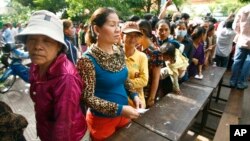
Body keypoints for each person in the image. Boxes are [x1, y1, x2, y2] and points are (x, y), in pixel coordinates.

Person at [15, 10, 89, 141]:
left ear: (59, 46)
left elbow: (64, 126)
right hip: (47, 132)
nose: (37, 46)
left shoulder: (66, 77)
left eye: (47, 41)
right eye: (32, 39)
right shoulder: (36, 65)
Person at [76, 7, 140, 141]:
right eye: (112, 25)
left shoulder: (118, 51)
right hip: (102, 122)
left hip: (124, 115)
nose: (118, 29)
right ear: (97, 29)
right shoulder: (87, 60)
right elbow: (87, 98)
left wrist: (134, 94)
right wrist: (119, 109)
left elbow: (124, 78)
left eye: (118, 24)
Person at [121, 21, 149, 109]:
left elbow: (144, 80)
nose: (132, 39)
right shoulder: (115, 54)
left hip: (136, 104)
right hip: (119, 103)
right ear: (122, 36)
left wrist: (121, 83)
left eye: (135, 35)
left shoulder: (142, 57)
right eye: (129, 35)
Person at [230, 4, 250, 89]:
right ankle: (241, 83)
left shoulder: (243, 9)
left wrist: (241, 33)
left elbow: (235, 26)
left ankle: (233, 81)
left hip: (241, 40)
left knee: (237, 61)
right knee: (248, 62)